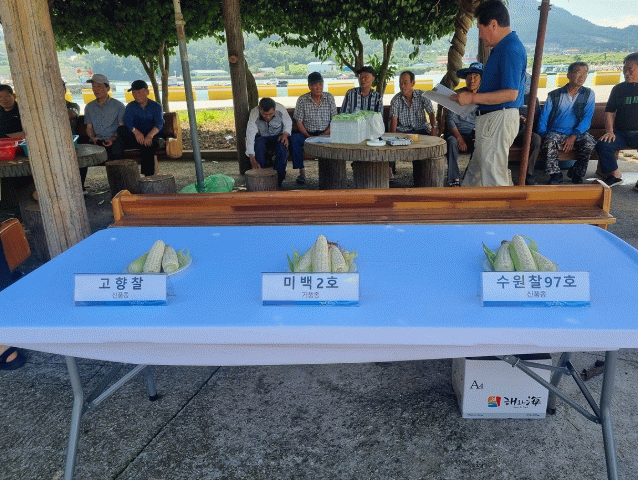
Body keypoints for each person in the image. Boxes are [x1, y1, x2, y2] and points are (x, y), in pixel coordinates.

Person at [450, 0, 526, 187]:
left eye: (480, 28)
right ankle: (466, 204)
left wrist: (472, 97)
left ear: (493, 24)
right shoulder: (502, 48)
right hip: (491, 120)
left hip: (498, 119)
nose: (480, 35)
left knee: (494, 180)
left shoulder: (510, 49)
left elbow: (510, 94)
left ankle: (500, 208)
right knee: (474, 176)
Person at [537, 62, 596, 185]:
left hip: (578, 133)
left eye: (585, 73)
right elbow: (544, 116)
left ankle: (577, 172)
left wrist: (573, 136)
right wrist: (543, 134)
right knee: (549, 141)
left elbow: (587, 118)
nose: (582, 76)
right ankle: (555, 174)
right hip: (556, 131)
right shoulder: (555, 95)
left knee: (589, 143)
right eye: (578, 72)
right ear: (568, 75)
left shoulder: (588, 94)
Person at [595, 52, 638, 189]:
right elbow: (609, 111)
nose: (626, 73)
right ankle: (615, 175)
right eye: (624, 69)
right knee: (603, 144)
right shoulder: (618, 89)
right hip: (620, 133)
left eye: (630, 69)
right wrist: (610, 131)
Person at [291, 72, 337, 185]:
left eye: (320, 84)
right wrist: (308, 136)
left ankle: (333, 172)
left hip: (326, 133)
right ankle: (302, 172)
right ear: (309, 86)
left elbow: (335, 120)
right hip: (307, 134)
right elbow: (298, 122)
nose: (318, 87)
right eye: (315, 85)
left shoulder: (329, 97)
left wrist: (325, 134)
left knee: (339, 140)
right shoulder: (302, 100)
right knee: (294, 139)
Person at [389, 71, 438, 178]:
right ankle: (389, 170)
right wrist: (393, 136)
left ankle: (424, 174)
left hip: (421, 130)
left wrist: (434, 128)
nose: (402, 86)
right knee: (390, 144)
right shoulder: (396, 100)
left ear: (413, 83)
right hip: (403, 132)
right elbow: (394, 119)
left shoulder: (422, 95)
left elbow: (431, 112)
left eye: (405, 83)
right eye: (400, 83)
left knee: (427, 145)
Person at [445, 62, 483, 186]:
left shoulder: (484, 97)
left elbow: (485, 118)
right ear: (465, 79)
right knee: (451, 142)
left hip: (474, 134)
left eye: (475, 76)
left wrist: (478, 133)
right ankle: (454, 179)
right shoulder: (456, 95)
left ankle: (468, 177)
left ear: (481, 79)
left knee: (481, 144)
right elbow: (450, 119)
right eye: (469, 76)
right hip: (456, 133)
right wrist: (459, 138)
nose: (472, 80)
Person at [118, 80, 166, 177]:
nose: (137, 95)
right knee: (121, 130)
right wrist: (136, 133)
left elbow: (159, 123)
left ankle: (148, 176)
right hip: (136, 137)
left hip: (152, 136)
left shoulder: (156, 106)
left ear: (147, 92)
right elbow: (128, 122)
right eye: (134, 93)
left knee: (148, 144)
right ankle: (146, 176)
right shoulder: (130, 106)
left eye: (139, 92)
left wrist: (149, 135)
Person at [246, 97, 292, 187]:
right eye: (264, 114)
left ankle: (278, 180)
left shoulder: (280, 108)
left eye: (271, 114)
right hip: (262, 137)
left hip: (279, 136)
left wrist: (285, 135)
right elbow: (250, 135)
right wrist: (252, 159)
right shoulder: (254, 113)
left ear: (275, 109)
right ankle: (261, 177)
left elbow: (288, 123)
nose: (267, 117)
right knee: (259, 145)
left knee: (283, 147)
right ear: (259, 110)